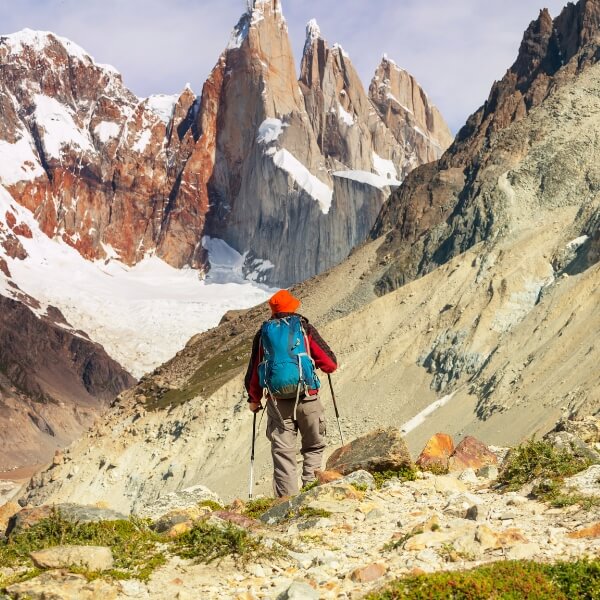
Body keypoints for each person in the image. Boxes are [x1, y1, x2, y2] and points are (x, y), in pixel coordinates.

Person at [245, 289, 337, 497]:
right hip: (308, 397)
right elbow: (330, 363)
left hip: (278, 404)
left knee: (284, 454)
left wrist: (253, 399)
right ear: (292, 307)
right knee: (313, 446)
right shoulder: (303, 328)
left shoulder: (263, 334)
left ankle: (287, 503)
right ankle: (313, 492)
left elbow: (254, 371)